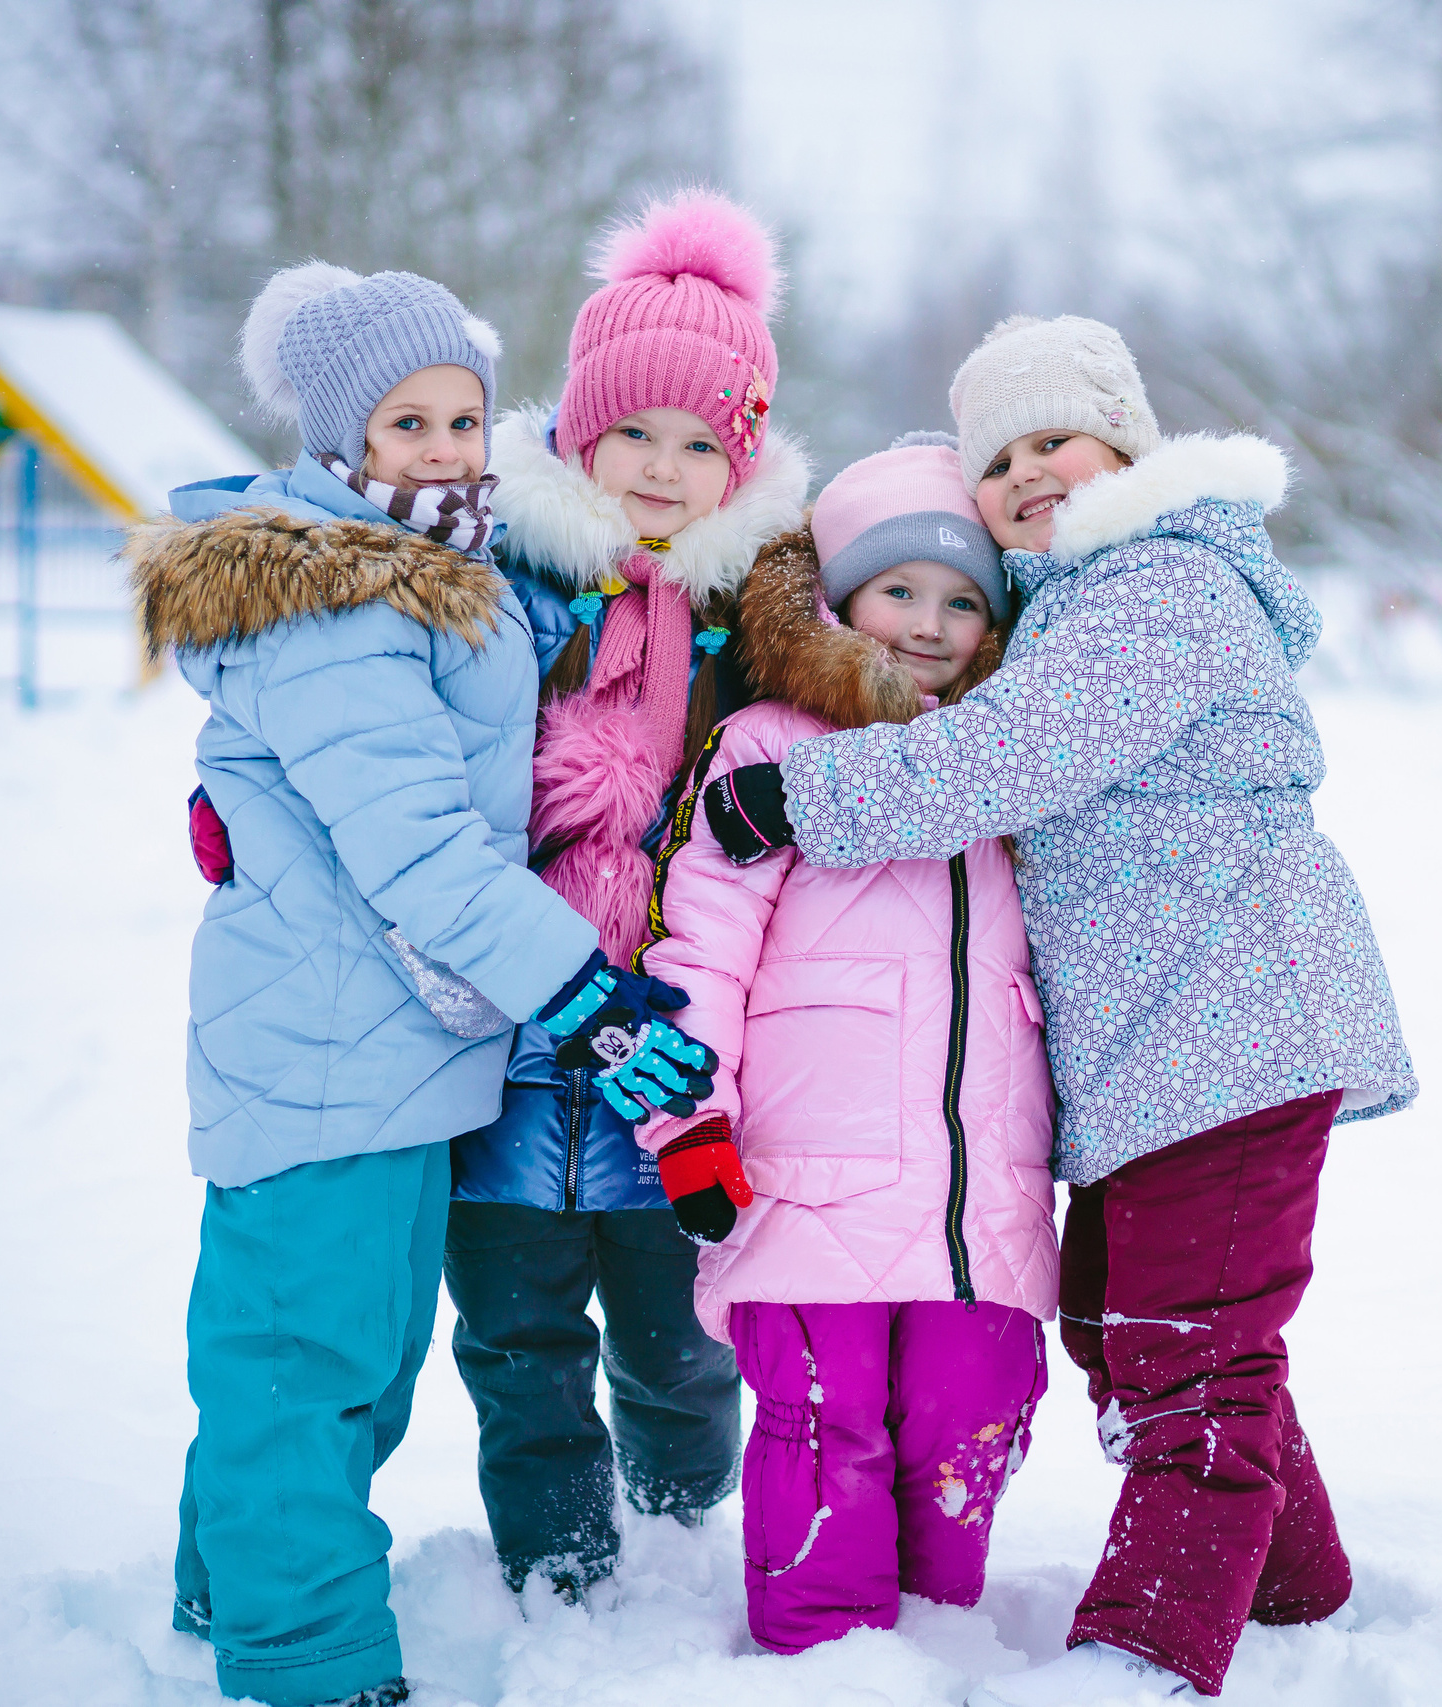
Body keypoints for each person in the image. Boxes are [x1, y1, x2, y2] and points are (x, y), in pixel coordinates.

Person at [693, 315, 1418, 1703]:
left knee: (1186, 1351)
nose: (1029, 472)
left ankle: (1146, 1653)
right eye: (1001, 456)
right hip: (1163, 1048)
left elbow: (1011, 756)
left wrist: (806, 794)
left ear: (1127, 445)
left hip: (1235, 1015)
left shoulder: (1161, 585)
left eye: (1055, 440)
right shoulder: (1074, 601)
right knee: (1127, 1320)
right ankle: (1295, 1586)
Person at [130, 263, 712, 1707]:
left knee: (350, 1365)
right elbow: (421, 849)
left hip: (392, 1052)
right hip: (326, 1047)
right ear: (344, 445)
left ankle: (231, 1589)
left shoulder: (432, 569)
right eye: (409, 424)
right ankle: (309, 1661)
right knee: (303, 1366)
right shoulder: (337, 598)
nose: (448, 448)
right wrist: (580, 994)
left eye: (464, 415)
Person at [441, 189, 813, 1599]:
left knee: (679, 1343)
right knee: (520, 1340)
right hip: (506, 1044)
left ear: (746, 456)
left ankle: (675, 1520)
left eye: (700, 442)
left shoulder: (768, 623)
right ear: (580, 432)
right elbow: (385, 736)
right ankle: (560, 1571)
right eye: (633, 433)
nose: (661, 468)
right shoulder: (499, 592)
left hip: (683, 1057)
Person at [632, 432, 1057, 1654]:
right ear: (836, 595)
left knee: (967, 1417)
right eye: (899, 590)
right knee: (822, 1427)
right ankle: (825, 1660)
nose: (928, 623)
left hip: (980, 1189)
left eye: (961, 599)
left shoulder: (1015, 766)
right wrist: (687, 1122)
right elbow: (696, 949)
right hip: (804, 1169)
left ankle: (937, 1643)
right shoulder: (768, 746)